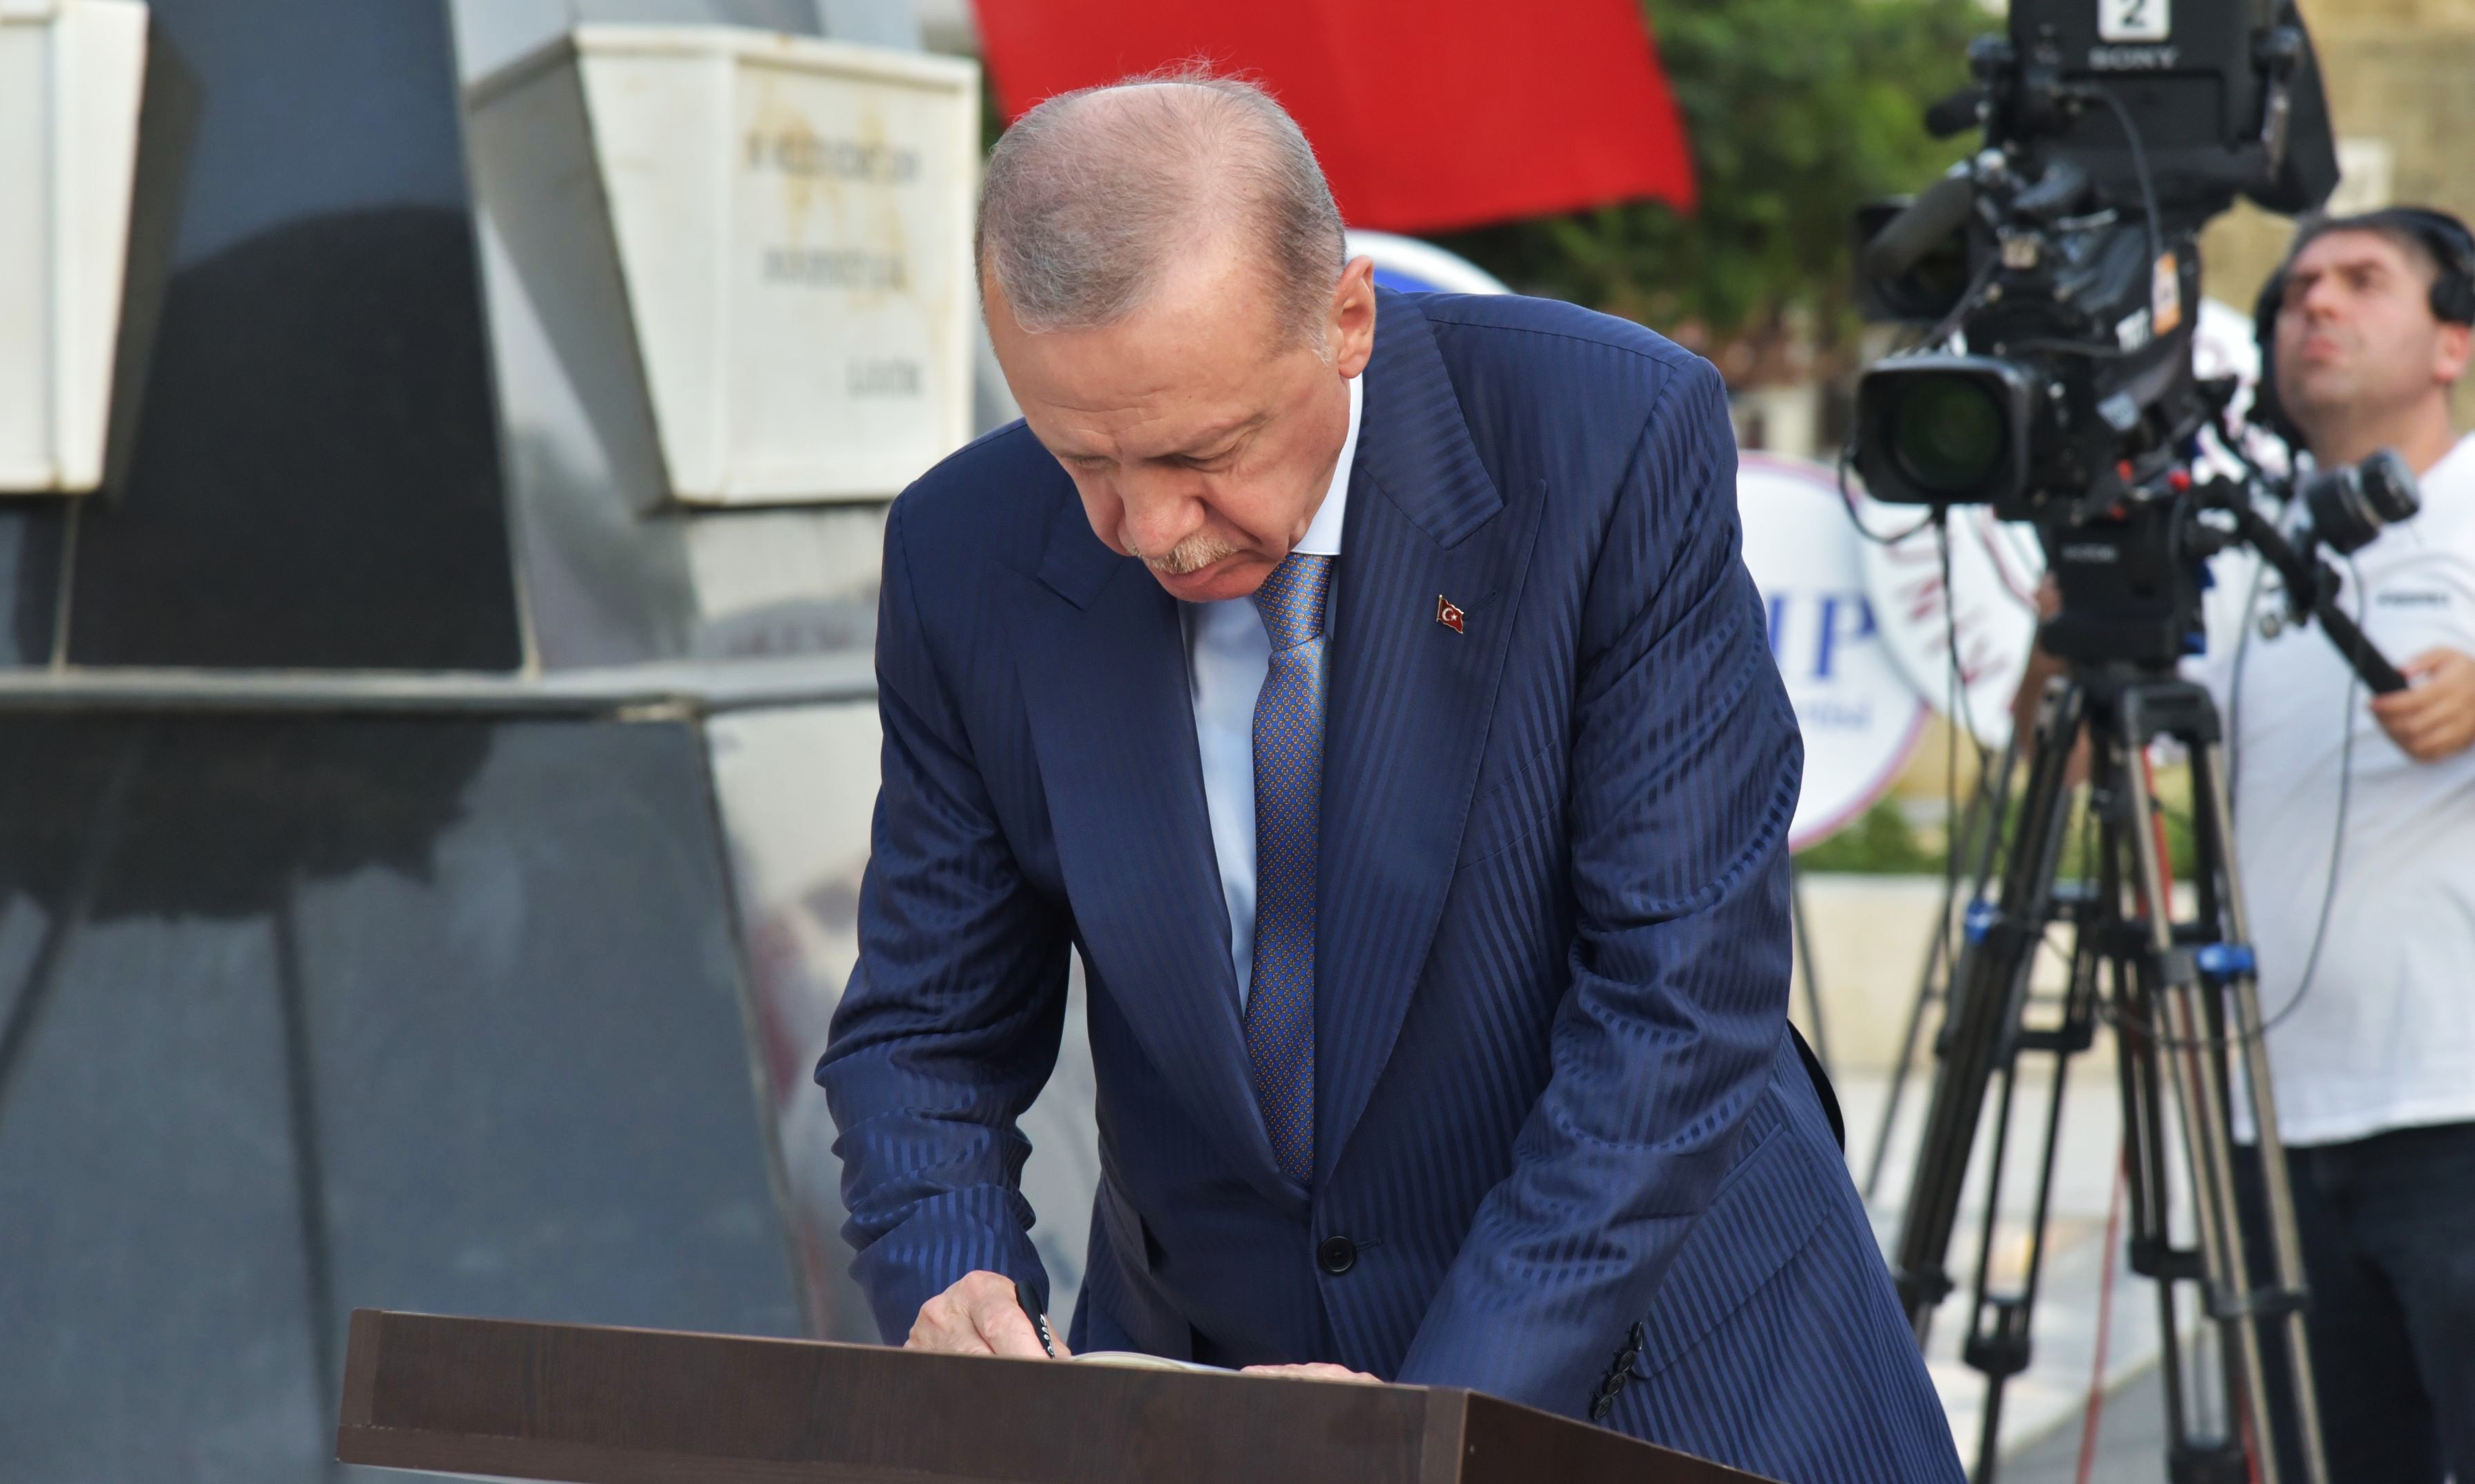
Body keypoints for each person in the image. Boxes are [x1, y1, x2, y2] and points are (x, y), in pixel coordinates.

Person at [819, 75, 1961, 1483]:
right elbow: (924, 1025)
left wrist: (1427, 1422)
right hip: (1214, 1397)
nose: (1151, 529)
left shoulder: (1606, 438)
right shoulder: (963, 549)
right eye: (1081, 459)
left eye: (1202, 453)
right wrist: (951, 1272)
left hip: (1667, 1379)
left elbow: (1675, 1000)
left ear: (1346, 318)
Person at [2205, 207, 2475, 1481]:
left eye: (2363, 281)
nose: (2314, 303)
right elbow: (2085, 757)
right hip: (2268, 1119)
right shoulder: (2243, 551)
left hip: (2453, 1104)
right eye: (2297, 286)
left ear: (2452, 342)